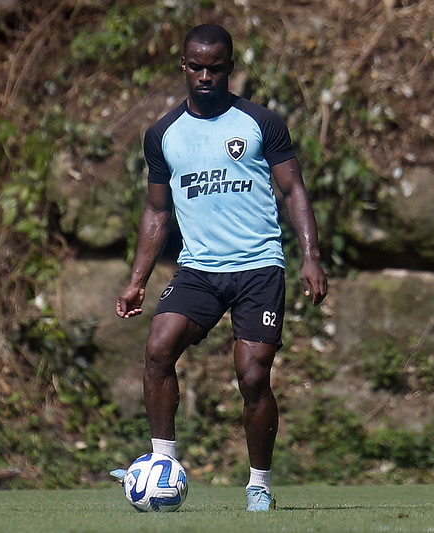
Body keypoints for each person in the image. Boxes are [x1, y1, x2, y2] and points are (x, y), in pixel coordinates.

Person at [111, 23, 328, 511]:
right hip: (199, 270)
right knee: (158, 347)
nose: (205, 76)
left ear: (229, 68)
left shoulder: (261, 123)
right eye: (197, 67)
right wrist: (136, 281)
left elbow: (293, 190)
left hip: (258, 267)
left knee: (252, 378)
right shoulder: (163, 134)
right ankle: (162, 461)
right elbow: (157, 211)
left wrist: (311, 256)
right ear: (183, 66)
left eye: (215, 67)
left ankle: (259, 484)